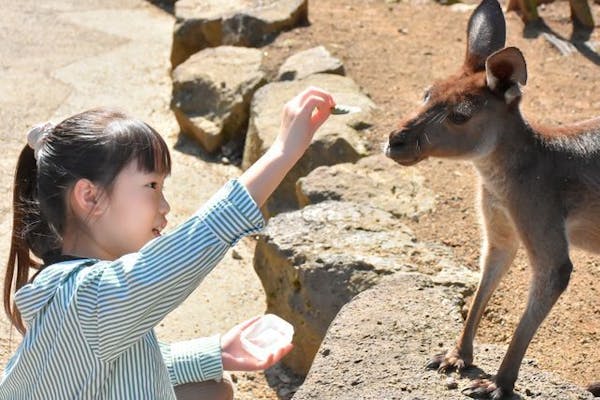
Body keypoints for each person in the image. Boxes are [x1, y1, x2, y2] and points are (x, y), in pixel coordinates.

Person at [0, 87, 335, 399]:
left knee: (213, 387)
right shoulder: (89, 299)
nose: (165, 207)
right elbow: (187, 249)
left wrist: (218, 352)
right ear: (89, 196)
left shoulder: (82, 295)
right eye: (152, 186)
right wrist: (281, 152)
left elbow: (128, 363)